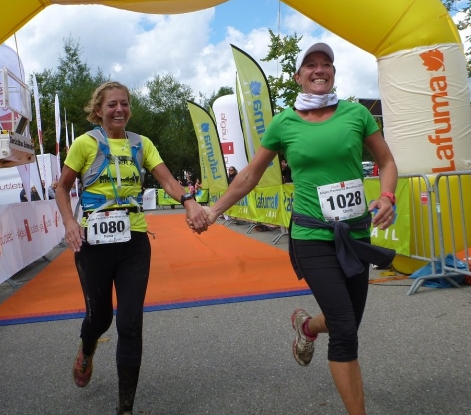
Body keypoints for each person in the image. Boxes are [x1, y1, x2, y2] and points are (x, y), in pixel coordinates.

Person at [202, 42, 397, 415]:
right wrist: (214, 210)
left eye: (326, 64)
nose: (319, 69)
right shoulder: (284, 123)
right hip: (311, 236)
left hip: (355, 235)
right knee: (344, 329)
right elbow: (250, 175)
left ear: (333, 73)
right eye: (311, 65)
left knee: (346, 322)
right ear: (298, 76)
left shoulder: (356, 114)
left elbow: (386, 161)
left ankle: (307, 328)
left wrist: (387, 196)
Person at [55, 81, 208, 415]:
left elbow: (167, 180)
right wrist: (69, 222)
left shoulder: (142, 144)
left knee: (129, 323)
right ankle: (87, 348)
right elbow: (62, 188)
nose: (119, 110)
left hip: (133, 240)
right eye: (111, 104)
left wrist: (188, 201)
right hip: (93, 242)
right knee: (99, 319)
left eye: (124, 103)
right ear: (98, 110)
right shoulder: (85, 143)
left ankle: (125, 408)